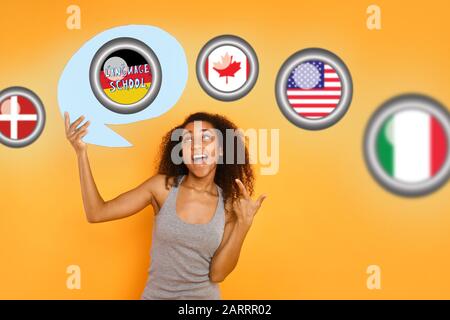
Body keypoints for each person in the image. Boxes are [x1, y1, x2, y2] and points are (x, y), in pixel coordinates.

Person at [64, 111, 267, 299]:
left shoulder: (230, 204)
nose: (197, 146)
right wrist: (81, 154)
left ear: (221, 150)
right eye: (188, 140)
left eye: (206, 137)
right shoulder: (162, 188)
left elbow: (218, 274)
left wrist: (243, 225)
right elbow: (96, 212)